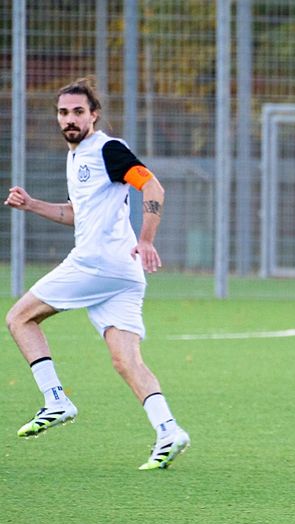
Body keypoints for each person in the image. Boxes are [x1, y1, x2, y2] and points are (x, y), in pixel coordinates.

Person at [4, 77, 190, 470]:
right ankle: (168, 430)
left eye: (77, 112)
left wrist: (148, 238)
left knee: (19, 318)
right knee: (126, 361)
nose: (69, 119)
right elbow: (76, 214)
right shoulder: (76, 158)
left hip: (97, 263)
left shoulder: (107, 149)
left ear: (94, 115)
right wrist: (32, 204)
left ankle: (55, 398)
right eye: (63, 112)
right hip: (121, 272)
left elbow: (152, 187)